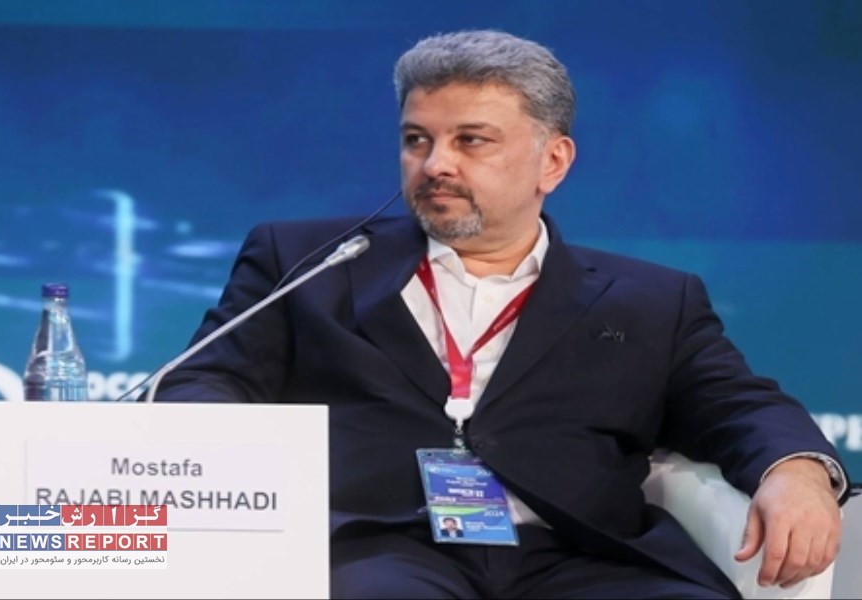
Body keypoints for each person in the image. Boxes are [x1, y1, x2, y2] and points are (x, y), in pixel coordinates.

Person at [152, 29, 848, 599]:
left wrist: (797, 472)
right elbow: (205, 378)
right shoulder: (310, 261)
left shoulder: (651, 300)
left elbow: (738, 405)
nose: (435, 164)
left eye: (471, 140)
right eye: (417, 139)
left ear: (553, 161)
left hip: (582, 553)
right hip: (382, 547)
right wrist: (234, 458)